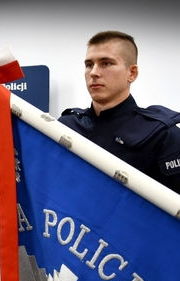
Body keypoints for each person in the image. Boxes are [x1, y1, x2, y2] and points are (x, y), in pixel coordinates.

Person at [59, 30, 180, 194]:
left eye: (106, 63)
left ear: (132, 73)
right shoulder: (65, 126)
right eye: (89, 65)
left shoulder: (161, 135)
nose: (94, 72)